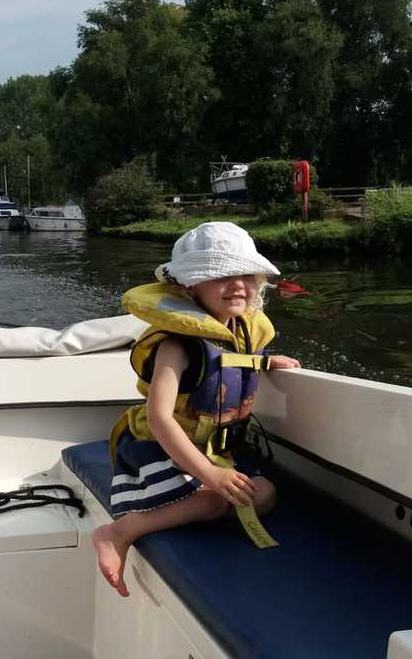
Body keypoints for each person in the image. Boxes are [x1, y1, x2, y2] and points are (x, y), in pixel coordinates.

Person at [93, 222, 300, 597]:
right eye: (221, 275)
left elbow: (233, 361)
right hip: (163, 450)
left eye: (246, 275)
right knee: (218, 499)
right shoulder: (177, 345)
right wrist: (209, 473)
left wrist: (267, 362)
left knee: (264, 494)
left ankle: (207, 495)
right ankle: (120, 532)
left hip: (217, 451)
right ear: (189, 285)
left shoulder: (242, 330)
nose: (238, 285)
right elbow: (159, 418)